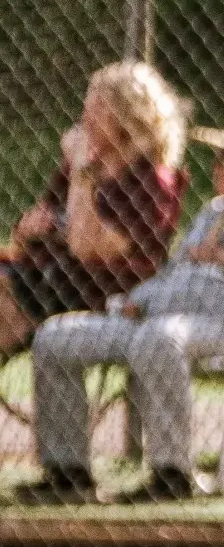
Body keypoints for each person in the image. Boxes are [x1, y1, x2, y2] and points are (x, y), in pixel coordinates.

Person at [17, 105, 224, 504]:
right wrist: (136, 300)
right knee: (55, 337)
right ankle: (66, 474)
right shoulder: (215, 212)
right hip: (160, 319)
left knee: (160, 340)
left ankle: (171, 475)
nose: (216, 169)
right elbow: (175, 274)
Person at [0, 62, 188, 353]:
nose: (86, 116)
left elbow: (87, 248)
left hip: (103, 293)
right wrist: (26, 231)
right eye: (88, 104)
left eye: (99, 107)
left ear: (129, 117)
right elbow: (27, 237)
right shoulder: (85, 166)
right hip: (47, 278)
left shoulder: (152, 182)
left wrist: (80, 173)